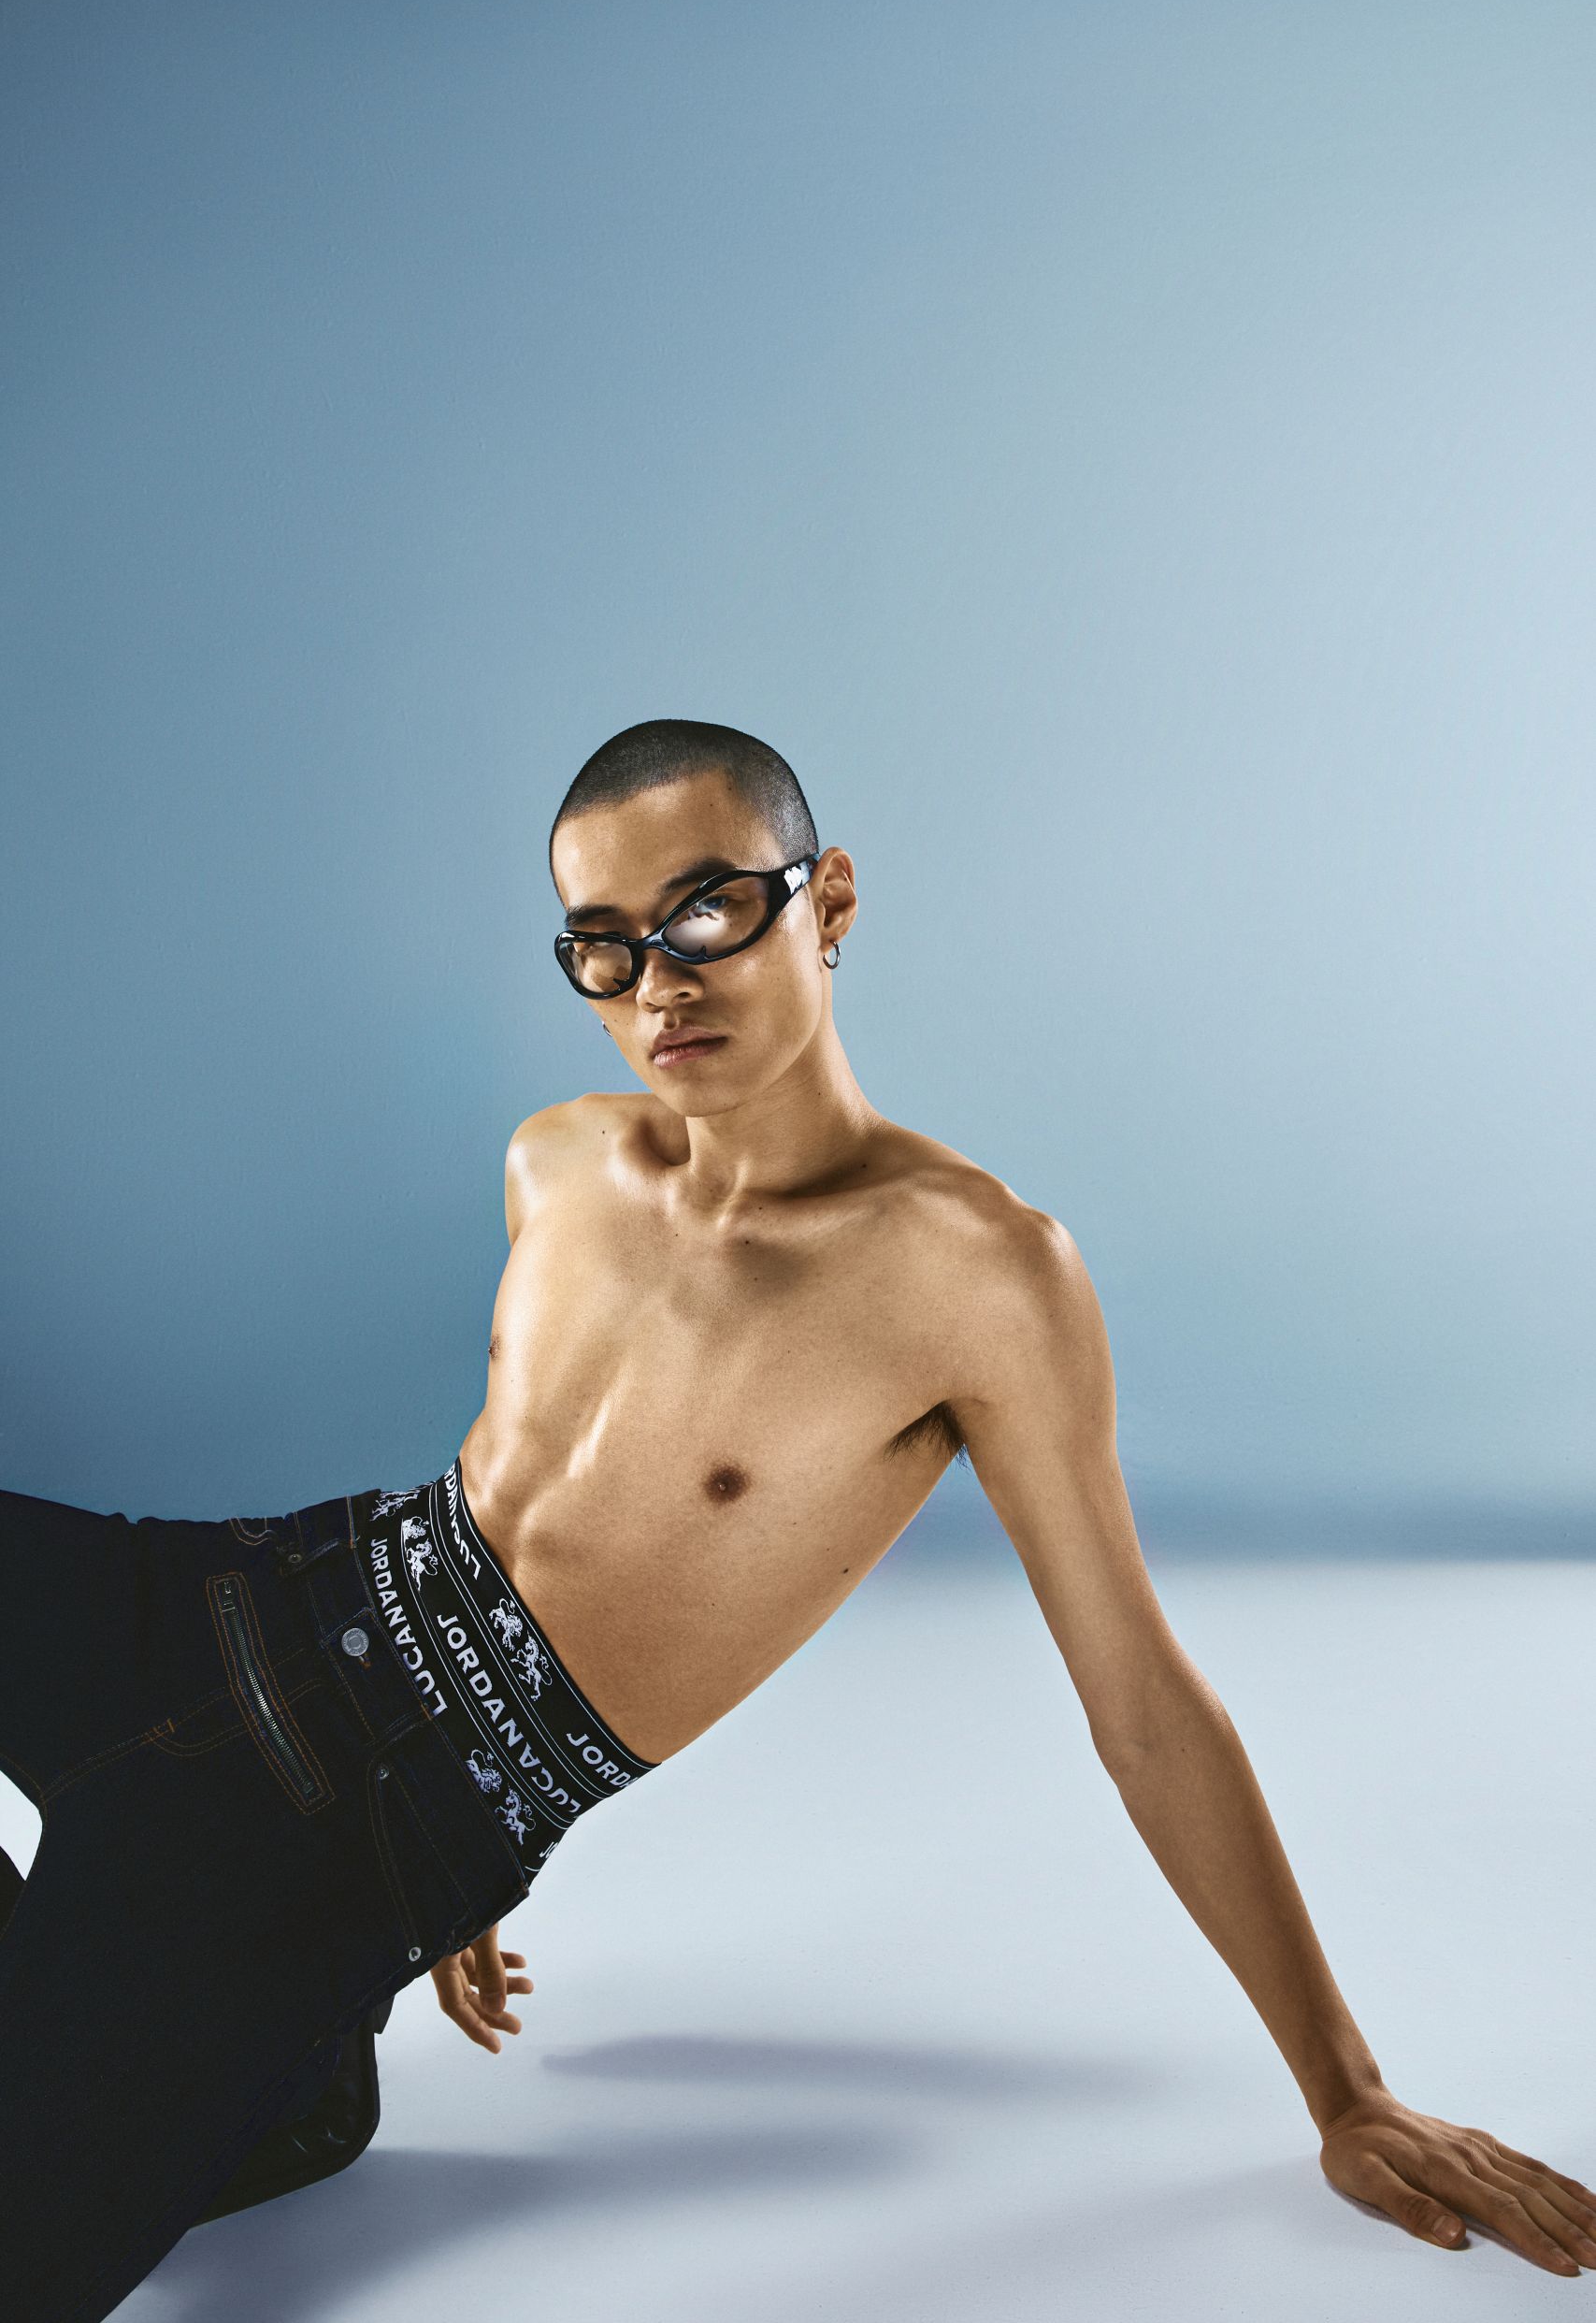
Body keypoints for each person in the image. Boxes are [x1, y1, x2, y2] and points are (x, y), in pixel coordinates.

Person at [1, 719, 1590, 2317]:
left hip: (341, 1851)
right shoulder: (558, 1160)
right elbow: (525, 1502)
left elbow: (1145, 1706)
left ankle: (275, 2065)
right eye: (606, 945)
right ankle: (235, 2038)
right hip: (213, 1607)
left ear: (826, 901)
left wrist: (1347, 2092)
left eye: (704, 910)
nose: (660, 985)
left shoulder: (980, 1275)